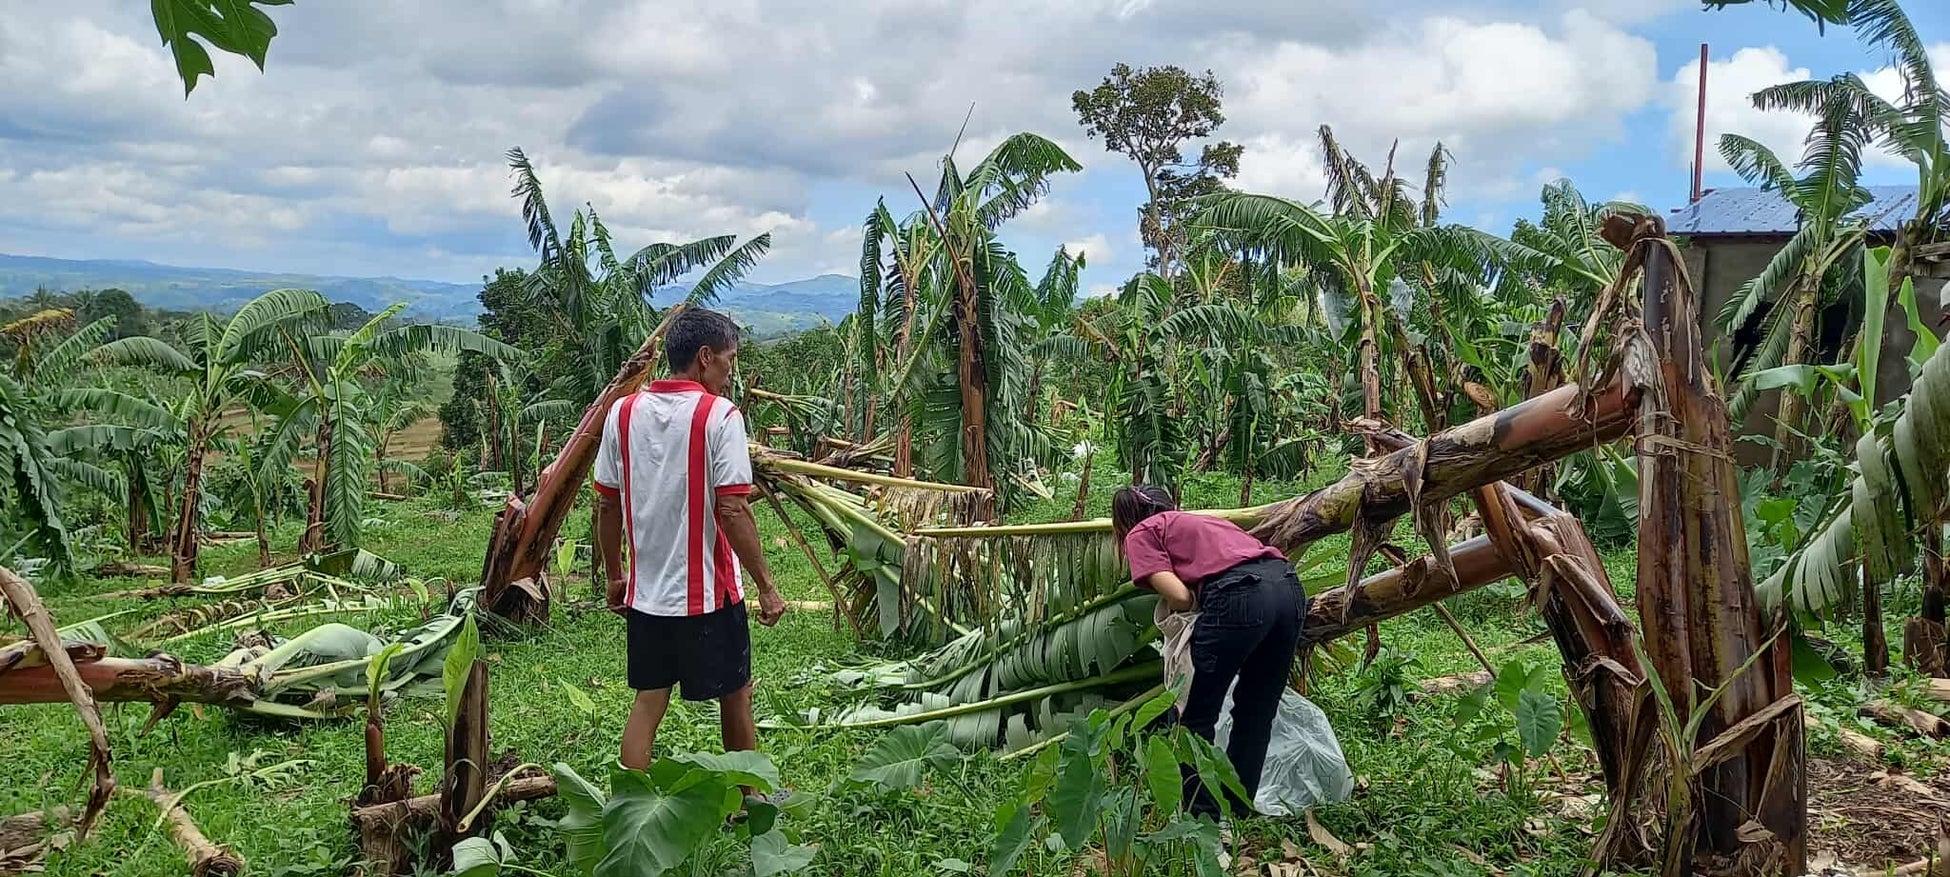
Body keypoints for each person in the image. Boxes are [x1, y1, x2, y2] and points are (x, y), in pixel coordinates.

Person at [593, 308, 788, 771]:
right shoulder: (720, 416)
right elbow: (733, 508)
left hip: (648, 595)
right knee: (736, 693)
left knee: (649, 700)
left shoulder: (622, 413)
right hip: (710, 593)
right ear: (704, 357)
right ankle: (749, 799)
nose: (730, 373)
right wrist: (766, 585)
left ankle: (629, 804)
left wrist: (616, 576)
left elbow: (605, 505)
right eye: (728, 361)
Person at [1111, 485, 1306, 819]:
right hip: (1289, 588)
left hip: (1239, 597)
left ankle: (1201, 818)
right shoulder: (1202, 522)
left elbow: (1180, 598)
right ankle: (1239, 810)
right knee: (1256, 711)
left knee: (1195, 716)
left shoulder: (1142, 531)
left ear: (1125, 519)